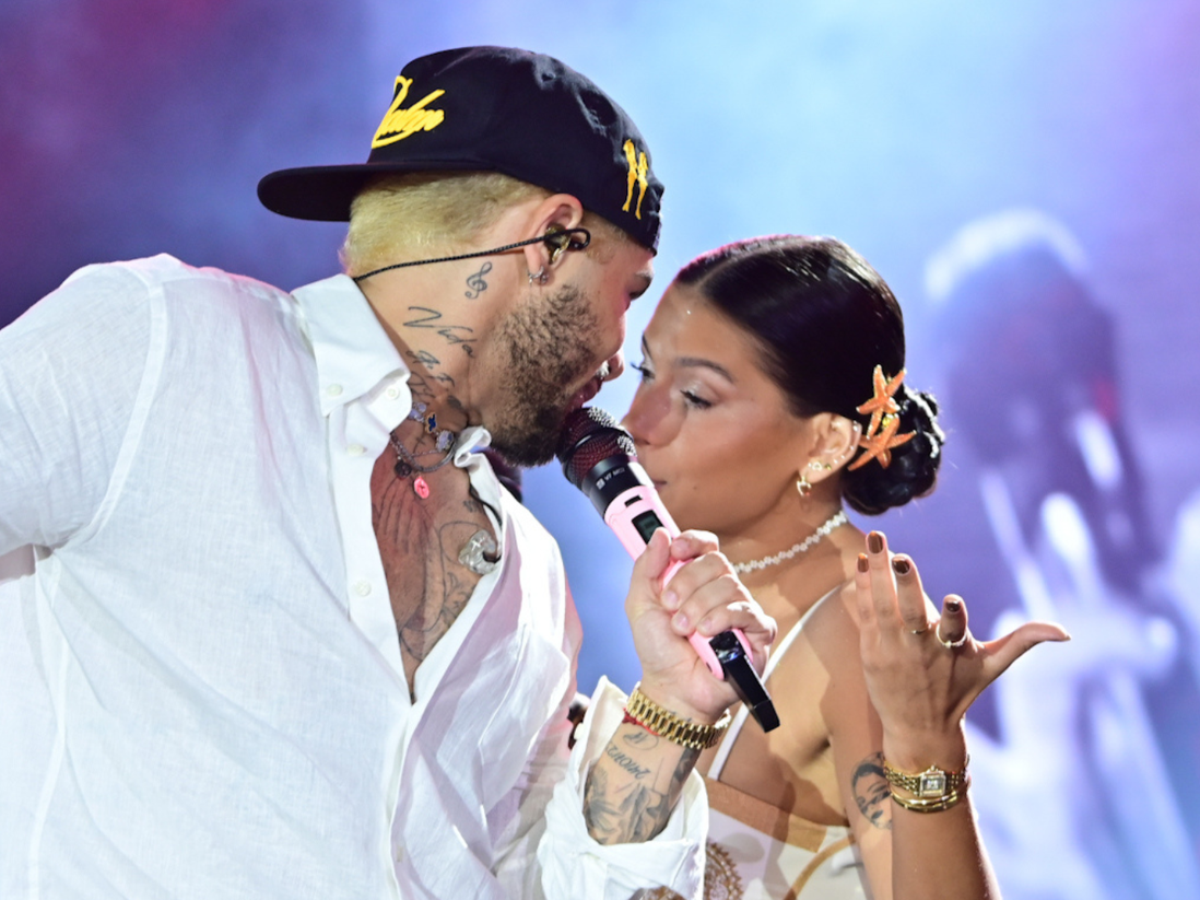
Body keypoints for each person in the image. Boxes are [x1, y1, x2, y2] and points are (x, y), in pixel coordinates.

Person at [0, 47, 775, 900]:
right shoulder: (166, 345)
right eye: (628, 293)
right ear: (552, 239)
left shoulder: (532, 579)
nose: (618, 356)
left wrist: (672, 708)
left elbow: (536, 884)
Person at [618, 235, 1069, 899]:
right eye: (644, 372)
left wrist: (926, 748)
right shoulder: (698, 584)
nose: (636, 422)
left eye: (696, 396)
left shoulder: (862, 629)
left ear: (826, 444)